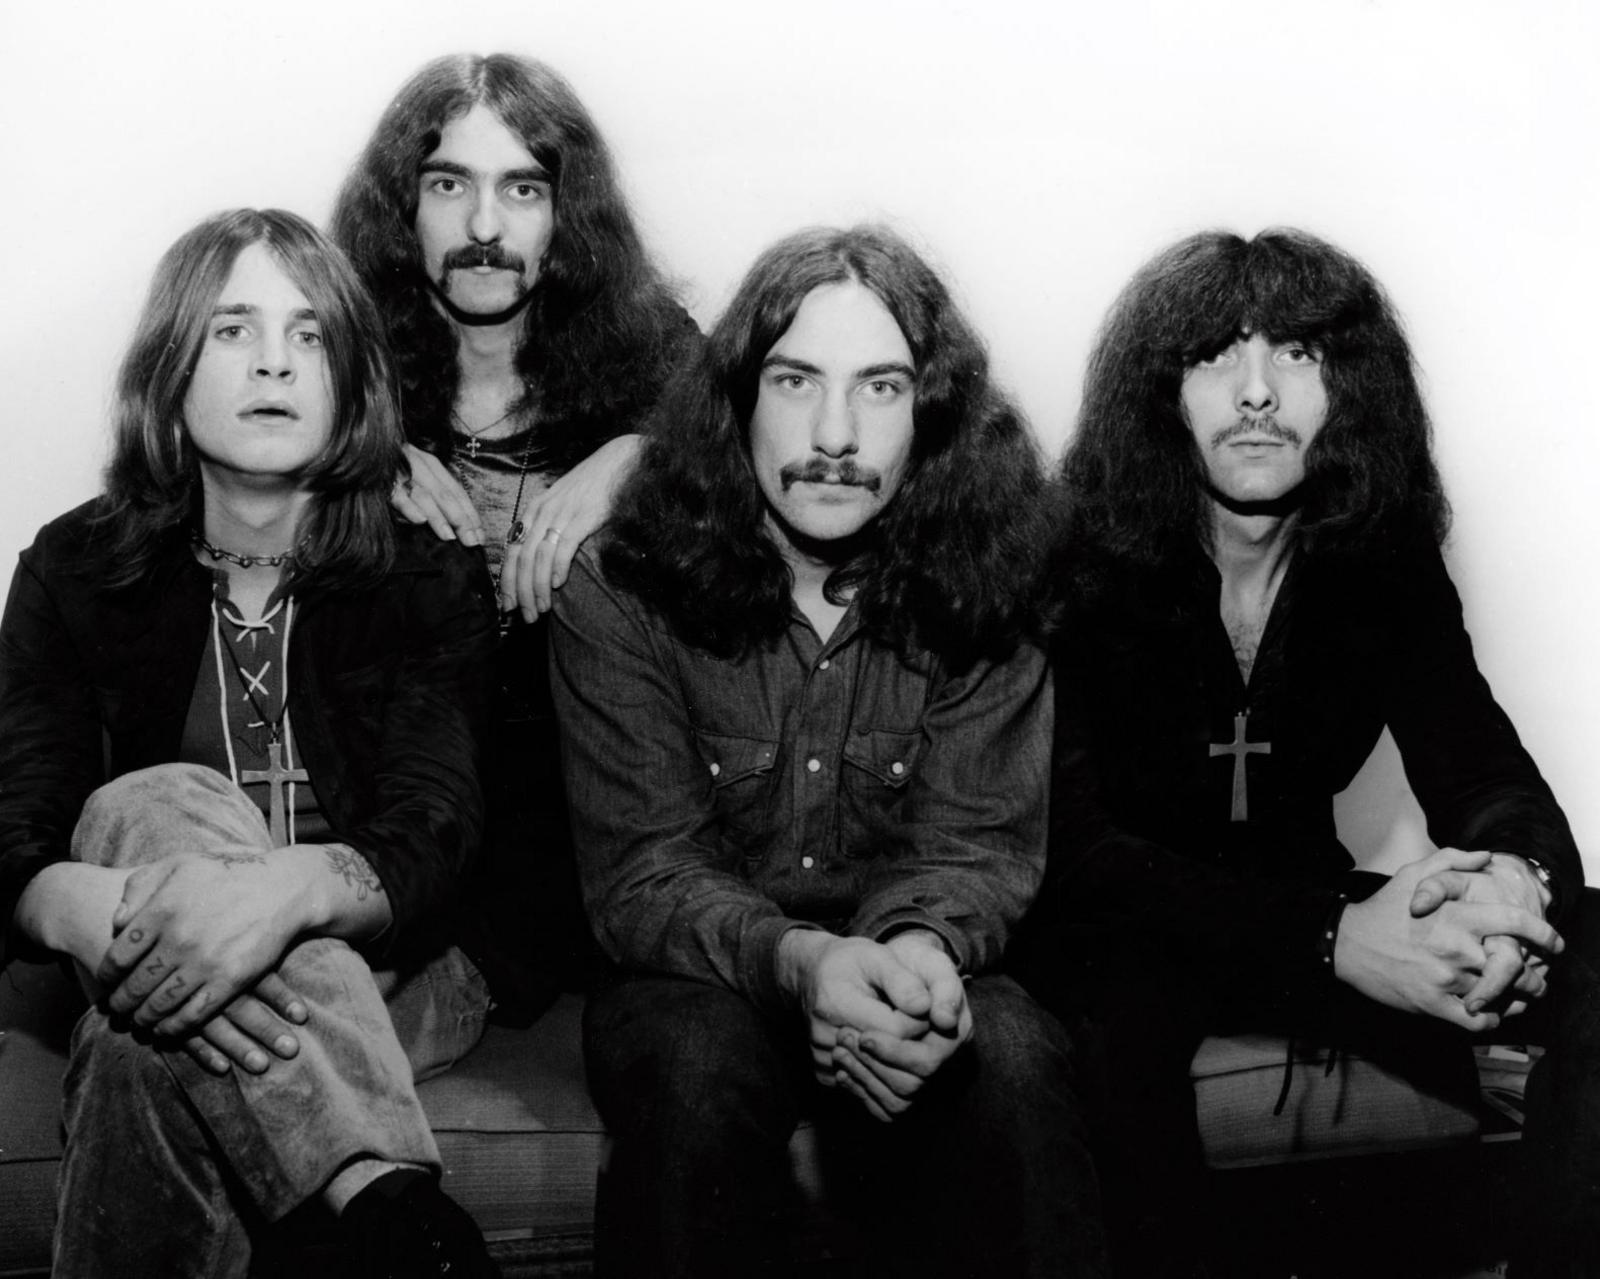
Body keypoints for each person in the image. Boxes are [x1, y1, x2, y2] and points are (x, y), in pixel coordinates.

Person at [1014, 226, 1595, 1277]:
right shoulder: (1075, 559)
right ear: (1159, 391)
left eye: (1294, 352)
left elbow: (1480, 768)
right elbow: (1077, 851)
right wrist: (1336, 935)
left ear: (1348, 388)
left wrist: (1517, 885)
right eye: (1214, 354)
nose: (1254, 393)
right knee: (1105, 1026)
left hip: (1298, 905)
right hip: (1128, 927)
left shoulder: (1380, 560)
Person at [550, 225, 1106, 1278]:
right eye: (797, 381)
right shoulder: (621, 588)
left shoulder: (990, 578)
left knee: (1020, 1058)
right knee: (693, 1069)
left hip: (904, 952)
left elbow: (977, 850)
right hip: (698, 973)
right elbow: (641, 875)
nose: (837, 432)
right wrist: (801, 965)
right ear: (739, 401)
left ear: (931, 415)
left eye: (883, 388)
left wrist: (918, 962)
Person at [0, 208, 501, 1278]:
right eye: (233, 330)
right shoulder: (75, 568)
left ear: (350, 376)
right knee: (150, 804)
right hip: (140, 944)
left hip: (393, 961)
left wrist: (282, 897)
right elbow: (18, 829)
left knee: (139, 1047)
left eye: (310, 332)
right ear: (171, 367)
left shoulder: (423, 566)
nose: (275, 360)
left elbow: (433, 826)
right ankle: (391, 1218)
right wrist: (67, 901)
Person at [331, 53, 698, 1020]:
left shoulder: (654, 359)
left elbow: (747, 440)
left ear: (566, 216)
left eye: (523, 190)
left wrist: (631, 453)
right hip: (390, 812)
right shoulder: (335, 369)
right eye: (449, 185)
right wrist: (365, 450)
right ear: (401, 210)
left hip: (563, 841)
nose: (484, 228)